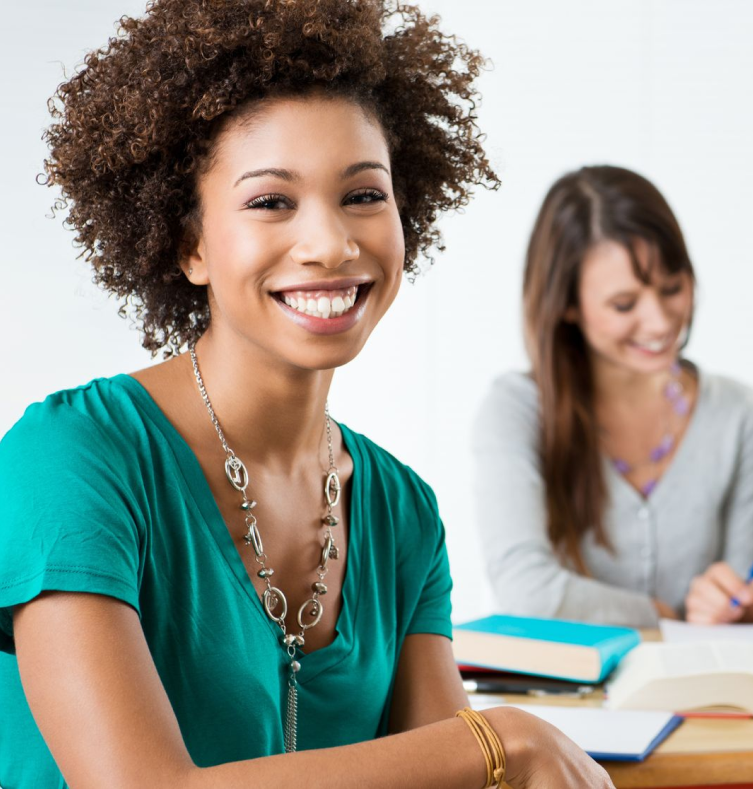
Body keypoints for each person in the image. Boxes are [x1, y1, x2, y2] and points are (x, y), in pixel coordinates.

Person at [0, 2, 614, 787]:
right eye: (270, 201)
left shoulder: (401, 511)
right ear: (189, 243)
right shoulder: (69, 461)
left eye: (364, 195)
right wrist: (501, 739)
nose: (330, 243)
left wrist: (492, 753)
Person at [473, 165, 753, 628]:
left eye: (672, 288)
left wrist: (732, 603)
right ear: (567, 306)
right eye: (624, 304)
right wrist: (659, 616)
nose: (661, 322)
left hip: (704, 698)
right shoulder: (516, 410)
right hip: (563, 700)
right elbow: (525, 589)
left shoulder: (738, 415)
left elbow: (740, 590)